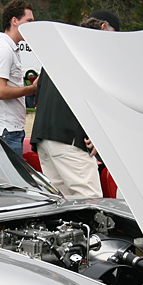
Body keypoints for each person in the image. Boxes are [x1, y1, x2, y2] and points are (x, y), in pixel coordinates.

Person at [31, 11, 120, 197]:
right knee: (91, 200)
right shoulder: (91, 51)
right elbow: (93, 99)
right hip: (68, 140)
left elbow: (39, 93)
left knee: (61, 204)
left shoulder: (58, 48)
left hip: (42, 138)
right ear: (103, 27)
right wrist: (97, 134)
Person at [0, 0, 37, 154]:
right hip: (5, 131)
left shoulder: (8, 48)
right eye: (29, 21)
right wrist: (32, 89)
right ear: (14, 21)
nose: (32, 25)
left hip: (7, 130)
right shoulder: (3, 50)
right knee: (7, 178)